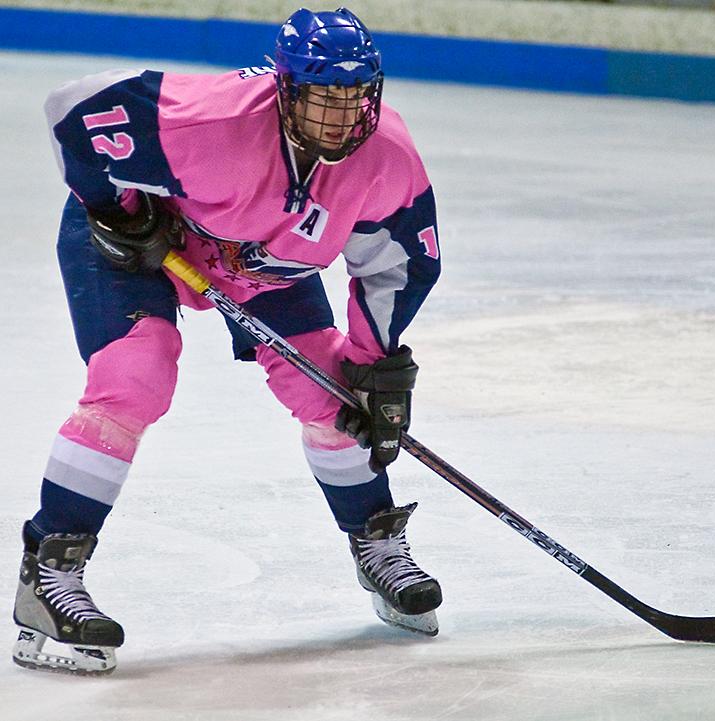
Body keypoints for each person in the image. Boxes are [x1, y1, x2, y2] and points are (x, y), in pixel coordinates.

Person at [13, 7, 443, 675]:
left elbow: (400, 262)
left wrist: (369, 364)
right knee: (135, 377)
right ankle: (51, 570)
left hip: (266, 264)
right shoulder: (208, 119)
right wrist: (116, 212)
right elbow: (73, 110)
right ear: (284, 90)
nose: (342, 117)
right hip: (145, 246)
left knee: (334, 393)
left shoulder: (385, 154)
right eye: (324, 99)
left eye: (354, 97)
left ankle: (377, 544)